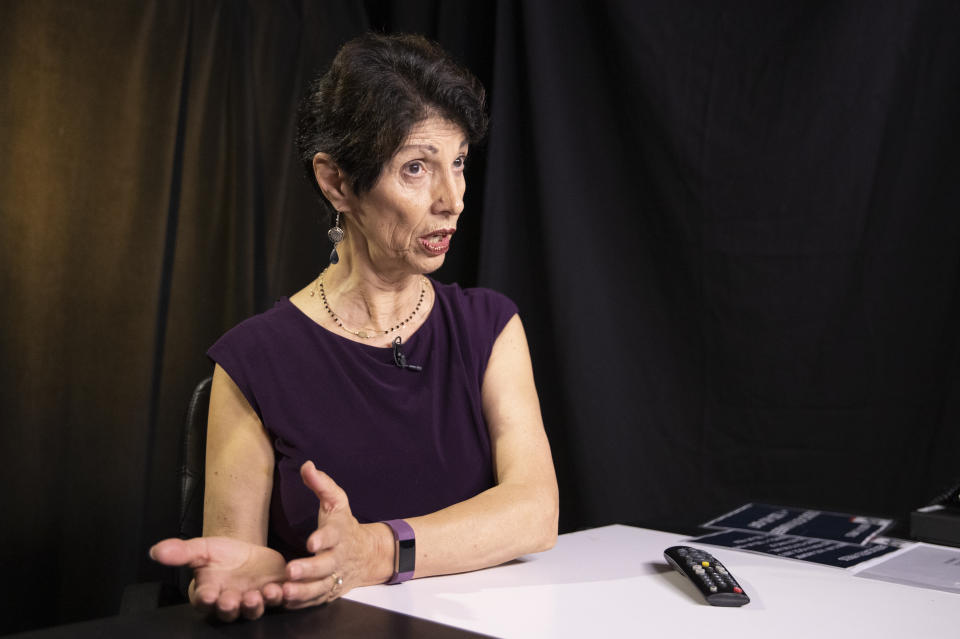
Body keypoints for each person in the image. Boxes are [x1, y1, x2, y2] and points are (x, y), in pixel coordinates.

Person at [149, 32, 559, 622]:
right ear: (337, 183)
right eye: (417, 168)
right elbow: (235, 560)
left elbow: (535, 511)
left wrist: (376, 550)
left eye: (460, 163)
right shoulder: (252, 362)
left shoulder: (489, 327)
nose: (454, 200)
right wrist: (261, 579)